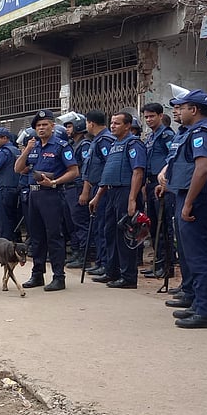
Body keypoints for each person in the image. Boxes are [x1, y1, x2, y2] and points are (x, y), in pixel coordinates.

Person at [165, 90, 207, 329]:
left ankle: (206, 309)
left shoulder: (203, 132)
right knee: (193, 254)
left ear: (195, 109)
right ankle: (199, 303)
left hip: (195, 199)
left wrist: (188, 202)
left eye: (183, 107)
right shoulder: (195, 132)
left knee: (199, 255)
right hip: (186, 195)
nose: (178, 111)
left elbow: (202, 169)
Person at [16, 110, 80, 292]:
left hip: (51, 194)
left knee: (54, 236)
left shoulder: (61, 146)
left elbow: (74, 171)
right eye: (38, 125)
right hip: (33, 195)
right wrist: (27, 149)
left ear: (53, 126)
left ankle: (59, 277)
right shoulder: (34, 147)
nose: (41, 128)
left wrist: (54, 182)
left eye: (45, 125)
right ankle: (37, 274)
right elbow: (18, 168)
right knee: (36, 237)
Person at [90, 111, 147, 289]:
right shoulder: (115, 144)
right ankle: (112, 271)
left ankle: (128, 277)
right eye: (112, 123)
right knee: (110, 232)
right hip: (111, 192)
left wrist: (132, 200)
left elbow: (138, 172)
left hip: (125, 192)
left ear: (128, 126)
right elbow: (108, 174)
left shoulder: (134, 144)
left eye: (117, 123)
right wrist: (98, 196)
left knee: (125, 236)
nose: (113, 126)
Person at [142, 103, 176, 277]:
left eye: (152, 116)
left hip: (161, 184)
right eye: (146, 117)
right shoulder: (150, 137)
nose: (148, 120)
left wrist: (165, 183)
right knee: (154, 226)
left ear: (161, 116)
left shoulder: (167, 135)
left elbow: (171, 159)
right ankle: (158, 262)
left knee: (164, 227)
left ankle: (167, 266)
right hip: (150, 184)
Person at [78, 111, 113, 276]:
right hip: (96, 187)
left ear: (91, 123)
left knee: (103, 227)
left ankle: (105, 263)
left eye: (86, 123)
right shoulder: (96, 141)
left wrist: (99, 191)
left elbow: (108, 166)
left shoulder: (105, 141)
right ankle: (100, 261)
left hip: (103, 189)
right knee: (98, 227)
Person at [62, 117, 91, 268]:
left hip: (78, 186)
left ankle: (84, 254)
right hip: (69, 187)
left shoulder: (85, 145)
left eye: (70, 126)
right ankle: (75, 252)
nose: (67, 129)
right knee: (71, 223)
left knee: (80, 222)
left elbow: (86, 167)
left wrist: (85, 191)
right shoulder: (72, 145)